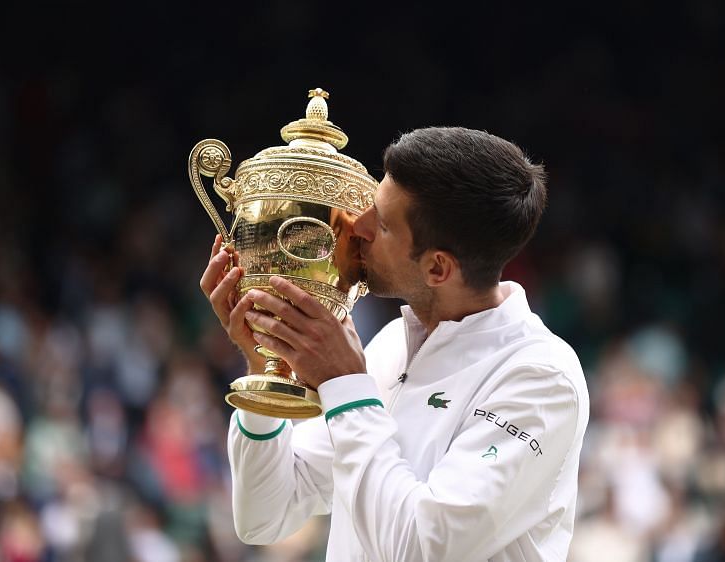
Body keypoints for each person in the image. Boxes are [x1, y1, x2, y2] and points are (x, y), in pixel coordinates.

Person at [200, 127, 590, 562]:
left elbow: (419, 549)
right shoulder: (391, 347)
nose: (356, 225)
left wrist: (345, 386)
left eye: (381, 224)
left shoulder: (541, 378)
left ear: (437, 268)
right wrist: (266, 364)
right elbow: (264, 514)